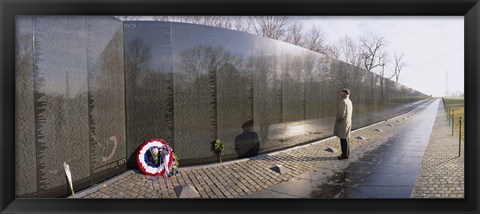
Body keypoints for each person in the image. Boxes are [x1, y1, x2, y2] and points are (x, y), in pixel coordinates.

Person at [334, 88, 353, 160]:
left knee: (343, 139)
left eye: (341, 93)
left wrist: (337, 120)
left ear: (345, 94)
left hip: (343, 123)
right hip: (348, 122)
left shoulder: (343, 102)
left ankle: (344, 155)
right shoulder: (349, 101)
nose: (340, 94)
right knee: (346, 138)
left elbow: (342, 114)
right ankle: (347, 154)